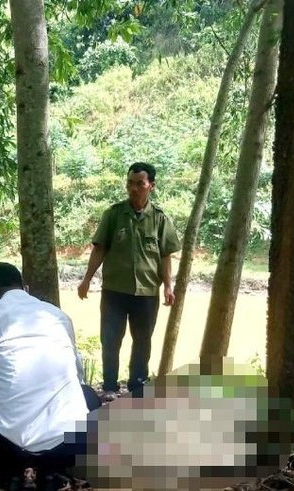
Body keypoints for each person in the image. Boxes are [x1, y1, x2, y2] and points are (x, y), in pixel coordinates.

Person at [0, 262, 100, 491]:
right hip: (67, 444)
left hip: (11, 445)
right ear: (24, 287)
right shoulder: (58, 315)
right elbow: (77, 375)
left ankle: (10, 473)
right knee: (88, 395)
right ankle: (52, 472)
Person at [77, 162, 181, 400]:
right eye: (130, 183)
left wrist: (168, 286)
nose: (133, 188)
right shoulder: (113, 215)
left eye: (139, 184)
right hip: (114, 291)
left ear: (151, 186)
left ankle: (137, 385)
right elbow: (99, 249)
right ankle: (110, 386)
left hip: (146, 293)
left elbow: (165, 256)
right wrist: (86, 279)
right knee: (110, 340)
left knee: (143, 341)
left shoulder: (160, 219)